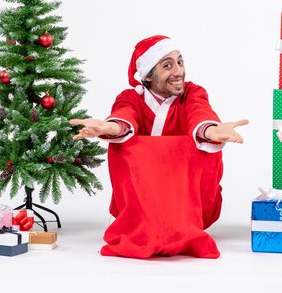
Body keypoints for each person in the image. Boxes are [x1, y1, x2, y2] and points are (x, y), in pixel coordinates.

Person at [70, 35, 248, 259]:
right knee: (129, 145)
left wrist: (210, 132)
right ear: (148, 75)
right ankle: (144, 225)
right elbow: (124, 116)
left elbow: (199, 111)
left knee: (193, 146)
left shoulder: (192, 93)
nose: (178, 72)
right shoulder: (131, 98)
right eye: (167, 65)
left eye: (180, 62)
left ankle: (180, 225)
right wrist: (109, 128)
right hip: (141, 200)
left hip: (187, 199)